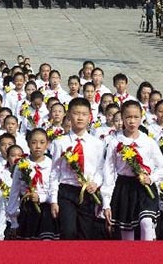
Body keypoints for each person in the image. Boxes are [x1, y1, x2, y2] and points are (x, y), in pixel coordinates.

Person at [102, 100, 163, 241]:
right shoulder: (115, 142)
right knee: (127, 232)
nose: (132, 121)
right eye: (128, 117)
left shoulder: (148, 141)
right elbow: (108, 172)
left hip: (145, 187)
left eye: (136, 117)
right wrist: (106, 202)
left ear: (141, 117)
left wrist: (151, 178)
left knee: (146, 222)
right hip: (124, 187)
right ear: (122, 118)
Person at [50, 97, 104, 240]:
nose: (80, 117)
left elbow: (100, 169)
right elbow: (54, 173)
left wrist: (96, 183)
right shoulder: (59, 143)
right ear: (68, 116)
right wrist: (53, 200)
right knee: (68, 231)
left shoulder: (97, 144)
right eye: (76, 113)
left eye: (84, 114)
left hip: (87, 192)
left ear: (89, 117)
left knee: (85, 234)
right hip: (67, 191)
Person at [6, 128, 57, 240]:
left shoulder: (52, 164)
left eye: (42, 142)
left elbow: (55, 189)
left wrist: (41, 198)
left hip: (46, 210)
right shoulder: (22, 164)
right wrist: (13, 220)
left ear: (47, 144)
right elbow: (15, 191)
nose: (38, 146)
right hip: (27, 209)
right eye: (34, 142)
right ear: (28, 144)